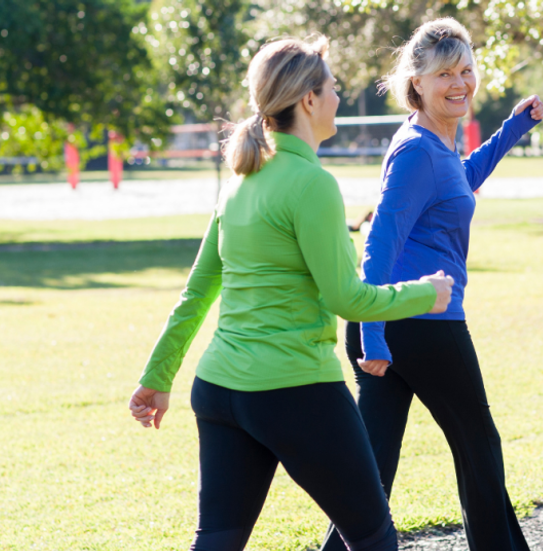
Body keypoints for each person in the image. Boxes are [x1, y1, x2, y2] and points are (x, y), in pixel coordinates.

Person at [127, 36, 455, 551]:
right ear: (307, 100)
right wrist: (424, 294)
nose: (339, 98)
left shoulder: (239, 180)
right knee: (374, 540)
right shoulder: (312, 184)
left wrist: (157, 376)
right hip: (296, 390)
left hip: (219, 391)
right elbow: (348, 299)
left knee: (216, 541)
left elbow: (196, 293)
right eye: (333, 89)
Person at [320, 18, 543, 551]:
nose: (459, 83)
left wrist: (511, 131)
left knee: (371, 474)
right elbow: (379, 243)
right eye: (445, 73)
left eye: (466, 70)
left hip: (395, 325)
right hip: (418, 323)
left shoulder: (434, 145)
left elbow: (458, 184)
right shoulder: (418, 150)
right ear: (416, 81)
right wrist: (373, 338)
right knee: (478, 447)